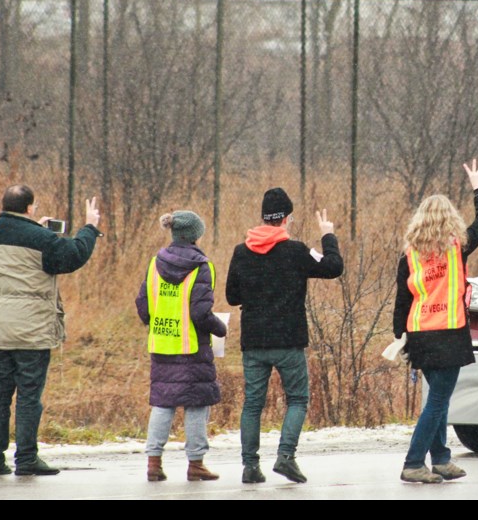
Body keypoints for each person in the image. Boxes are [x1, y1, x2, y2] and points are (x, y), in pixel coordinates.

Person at [0, 185, 101, 477]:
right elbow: (74, 255)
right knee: (29, 395)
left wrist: (40, 232)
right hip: (31, 328)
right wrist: (90, 227)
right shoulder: (40, 238)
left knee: (0, 394)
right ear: (30, 208)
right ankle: (27, 459)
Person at [225, 188, 343, 485]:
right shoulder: (296, 251)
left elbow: (231, 295)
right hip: (289, 340)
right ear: (287, 219)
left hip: (254, 342)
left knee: (253, 404)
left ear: (263, 217)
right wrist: (327, 235)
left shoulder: (242, 251)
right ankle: (285, 456)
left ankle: (250, 466)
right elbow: (333, 267)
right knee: (298, 399)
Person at [393, 159, 478, 484]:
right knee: (437, 403)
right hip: (448, 334)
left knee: (438, 398)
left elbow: (402, 301)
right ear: (451, 220)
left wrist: (400, 336)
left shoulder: (408, 256)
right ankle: (413, 462)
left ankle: (441, 459)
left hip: (420, 336)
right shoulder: (457, 248)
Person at [135, 211, 227, 482]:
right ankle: (196, 463)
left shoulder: (155, 262)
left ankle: (153, 463)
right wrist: (220, 328)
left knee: (163, 404)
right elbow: (200, 313)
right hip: (192, 348)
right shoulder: (202, 266)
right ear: (195, 235)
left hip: (162, 345)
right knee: (197, 405)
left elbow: (143, 305)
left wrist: (159, 322)